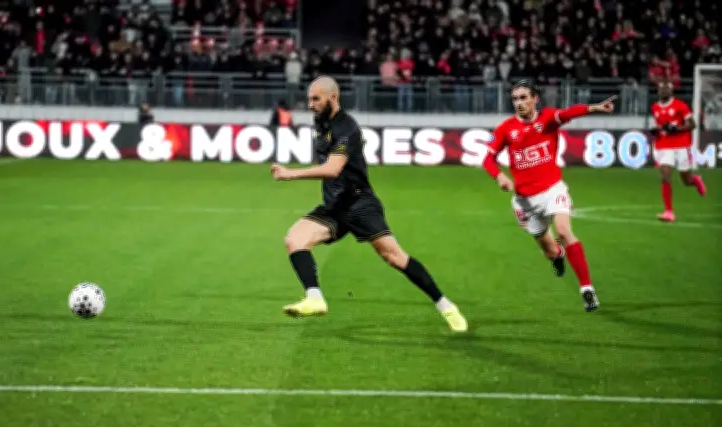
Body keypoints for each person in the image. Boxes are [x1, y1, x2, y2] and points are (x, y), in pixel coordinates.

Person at [270, 76, 468, 332]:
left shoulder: (347, 127)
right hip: (335, 206)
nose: (310, 104)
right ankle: (315, 298)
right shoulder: (321, 122)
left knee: (394, 257)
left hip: (359, 202)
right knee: (295, 239)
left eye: (316, 99)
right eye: (309, 99)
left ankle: (446, 306)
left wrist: (291, 174)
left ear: (333, 97)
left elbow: (332, 169)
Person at [481, 80, 616, 312]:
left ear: (535, 99)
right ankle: (558, 256)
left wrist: (595, 107)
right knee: (550, 251)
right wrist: (499, 176)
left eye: (524, 97)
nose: (519, 103)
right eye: (515, 99)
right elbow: (487, 159)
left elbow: (569, 112)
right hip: (525, 201)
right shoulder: (506, 129)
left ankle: (587, 289)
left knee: (563, 230)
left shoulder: (548, 119)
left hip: (553, 189)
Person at [649, 80, 707, 222]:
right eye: (661, 89)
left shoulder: (680, 106)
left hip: (681, 145)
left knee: (686, 180)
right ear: (658, 91)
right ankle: (669, 211)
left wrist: (677, 129)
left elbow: (692, 124)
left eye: (666, 89)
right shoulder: (655, 107)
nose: (664, 91)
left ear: (671, 91)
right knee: (665, 175)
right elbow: (661, 126)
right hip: (663, 146)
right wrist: (656, 131)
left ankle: (695, 180)